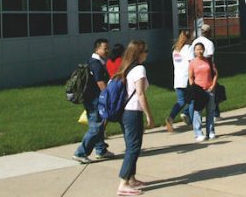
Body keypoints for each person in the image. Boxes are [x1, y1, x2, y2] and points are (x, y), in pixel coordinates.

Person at [114, 40, 155, 196]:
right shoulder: (139, 69)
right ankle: (123, 183)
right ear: (139, 53)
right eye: (146, 51)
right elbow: (140, 94)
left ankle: (131, 178)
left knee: (131, 145)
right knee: (133, 148)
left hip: (124, 113)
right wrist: (149, 115)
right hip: (133, 112)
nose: (147, 53)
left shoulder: (127, 68)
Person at [73, 39, 115, 164]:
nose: (107, 50)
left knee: (99, 124)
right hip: (94, 100)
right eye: (105, 48)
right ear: (97, 49)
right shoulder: (96, 64)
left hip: (91, 98)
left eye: (108, 48)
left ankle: (101, 150)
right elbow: (100, 82)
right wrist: (108, 97)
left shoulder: (94, 62)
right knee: (95, 126)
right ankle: (80, 153)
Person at [188, 42, 218, 142]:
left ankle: (211, 131)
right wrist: (194, 88)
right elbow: (191, 77)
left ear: (204, 50)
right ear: (194, 51)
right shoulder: (192, 62)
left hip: (209, 89)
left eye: (201, 49)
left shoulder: (208, 61)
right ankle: (198, 133)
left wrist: (213, 86)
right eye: (197, 49)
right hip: (199, 90)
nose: (199, 51)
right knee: (198, 112)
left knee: (210, 111)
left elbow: (215, 74)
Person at [165, 31, 192, 132]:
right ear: (188, 38)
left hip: (178, 78)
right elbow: (191, 63)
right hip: (187, 78)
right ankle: (191, 119)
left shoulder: (175, 50)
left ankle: (171, 117)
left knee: (181, 101)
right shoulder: (189, 49)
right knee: (192, 100)